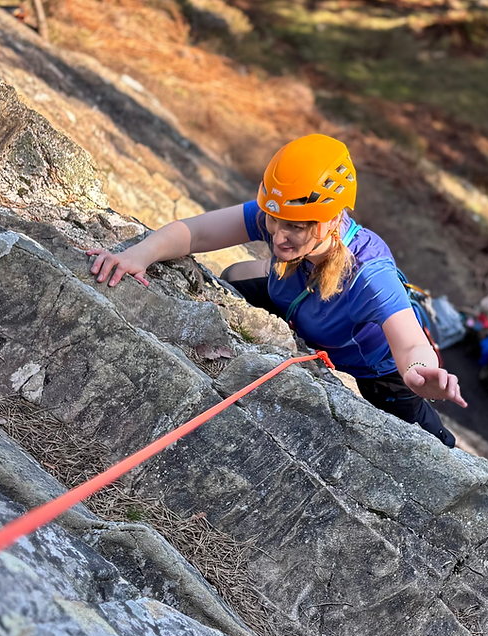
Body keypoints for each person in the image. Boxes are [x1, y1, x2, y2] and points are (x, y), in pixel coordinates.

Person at [87, 133, 466, 446]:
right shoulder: (286, 211)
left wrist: (419, 373)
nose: (279, 235)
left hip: (380, 371)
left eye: (295, 227)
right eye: (273, 220)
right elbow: (197, 232)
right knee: (235, 276)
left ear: (331, 219)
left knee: (427, 441)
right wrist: (140, 254)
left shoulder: (369, 274)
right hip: (302, 308)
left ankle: (443, 439)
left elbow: (411, 343)